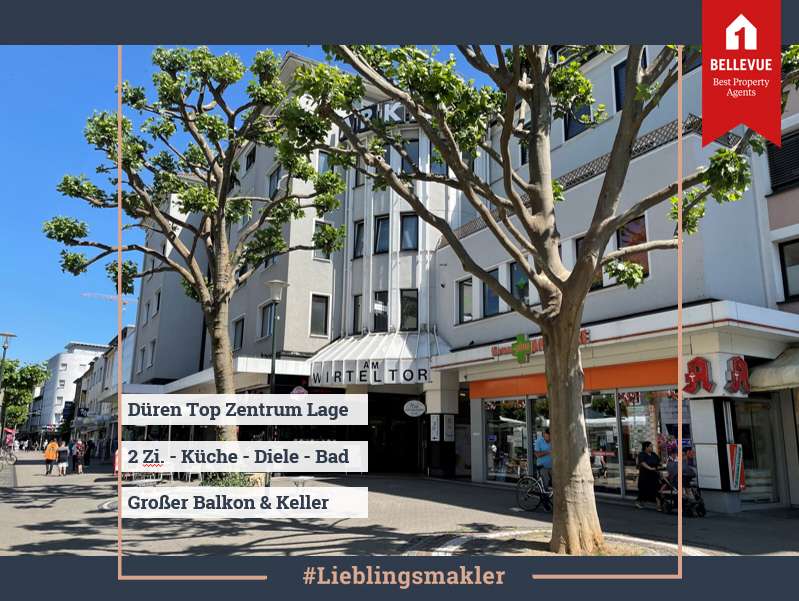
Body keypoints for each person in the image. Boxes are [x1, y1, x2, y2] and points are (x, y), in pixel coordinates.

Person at [636, 441, 661, 510]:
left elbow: (658, 462)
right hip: (645, 475)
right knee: (643, 490)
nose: (652, 447)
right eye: (650, 446)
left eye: (652, 446)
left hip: (653, 475)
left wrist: (659, 468)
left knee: (655, 489)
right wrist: (650, 468)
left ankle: (658, 505)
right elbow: (642, 463)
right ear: (646, 447)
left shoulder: (653, 454)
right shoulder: (642, 454)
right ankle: (639, 502)